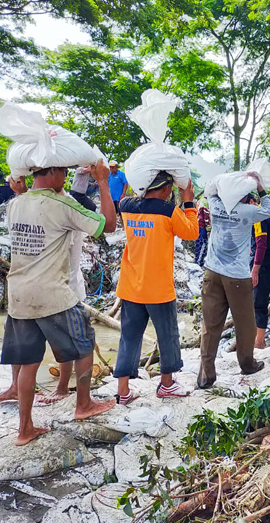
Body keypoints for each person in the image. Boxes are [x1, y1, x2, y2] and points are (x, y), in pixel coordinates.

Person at [2, 160, 117, 445]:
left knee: (28, 362)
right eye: (63, 172)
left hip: (18, 295)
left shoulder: (15, 204)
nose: (65, 177)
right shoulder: (61, 206)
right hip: (53, 293)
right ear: (52, 172)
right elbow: (109, 226)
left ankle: (24, 429)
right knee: (84, 345)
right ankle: (84, 404)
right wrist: (102, 182)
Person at [113, 173, 199, 404]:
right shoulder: (168, 210)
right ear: (167, 187)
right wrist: (189, 202)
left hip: (131, 286)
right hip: (158, 288)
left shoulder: (126, 206)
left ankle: (123, 391)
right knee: (167, 336)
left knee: (129, 338)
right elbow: (192, 232)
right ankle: (167, 384)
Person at [199, 176, 270, 389]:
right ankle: (247, 364)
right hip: (237, 277)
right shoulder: (247, 212)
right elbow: (268, 210)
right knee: (246, 324)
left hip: (212, 272)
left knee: (210, 325)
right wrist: (260, 188)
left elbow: (210, 191)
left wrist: (222, 183)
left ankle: (206, 375)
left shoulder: (215, 207)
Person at [251, 210, 270, 349]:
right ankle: (256, 338)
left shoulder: (258, 217)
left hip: (265, 265)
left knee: (259, 302)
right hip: (267, 263)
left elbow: (261, 244)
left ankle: (259, 341)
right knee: (256, 301)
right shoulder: (262, 215)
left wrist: (255, 268)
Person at [195, 200, 210, 267]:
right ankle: (198, 262)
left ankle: (197, 259)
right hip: (203, 227)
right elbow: (206, 217)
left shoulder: (201, 200)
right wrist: (208, 229)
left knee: (198, 244)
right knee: (202, 244)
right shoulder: (207, 202)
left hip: (198, 225)